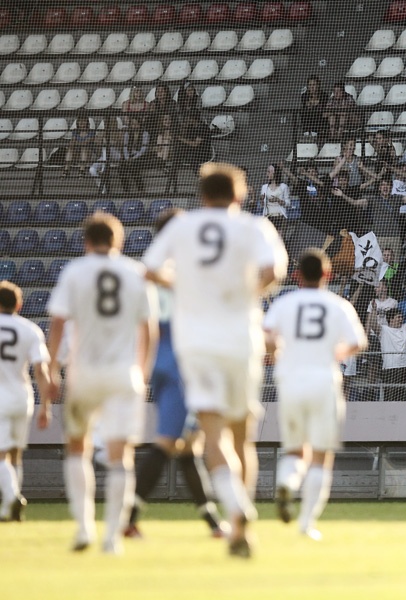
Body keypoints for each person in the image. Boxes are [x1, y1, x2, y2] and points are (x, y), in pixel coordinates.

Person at [142, 163, 288, 558]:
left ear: (202, 195)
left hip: (196, 344)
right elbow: (273, 270)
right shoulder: (255, 226)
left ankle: (236, 508)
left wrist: (185, 285)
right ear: (240, 195)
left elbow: (150, 270)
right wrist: (243, 293)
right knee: (242, 436)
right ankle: (241, 525)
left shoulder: (182, 226)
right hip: (241, 339)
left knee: (212, 435)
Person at [47, 213, 159, 554]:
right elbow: (149, 329)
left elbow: (57, 323)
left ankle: (84, 529)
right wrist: (143, 372)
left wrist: (52, 368)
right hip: (124, 373)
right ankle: (112, 537)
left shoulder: (74, 271)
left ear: (86, 242)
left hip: (84, 373)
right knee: (120, 456)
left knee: (76, 448)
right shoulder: (136, 272)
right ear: (119, 241)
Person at [126, 211, 225, 540]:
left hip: (159, 358)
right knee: (169, 441)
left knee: (188, 446)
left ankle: (213, 522)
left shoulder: (146, 269)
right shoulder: (188, 269)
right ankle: (127, 518)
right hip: (182, 361)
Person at [264, 250, 366, 540]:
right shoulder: (338, 305)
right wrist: (337, 353)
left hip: (290, 381)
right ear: (327, 275)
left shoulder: (284, 303)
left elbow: (267, 336)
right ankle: (306, 524)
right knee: (321, 455)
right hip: (323, 381)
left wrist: (277, 353)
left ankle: (287, 483)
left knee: (295, 451)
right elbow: (358, 342)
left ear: (297, 275)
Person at [0, 282, 51, 522]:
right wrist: (46, 406)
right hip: (23, 397)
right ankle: (8, 510)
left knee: (1, 456)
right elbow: (41, 370)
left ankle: (13, 497)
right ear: (19, 304)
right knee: (15, 455)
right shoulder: (31, 329)